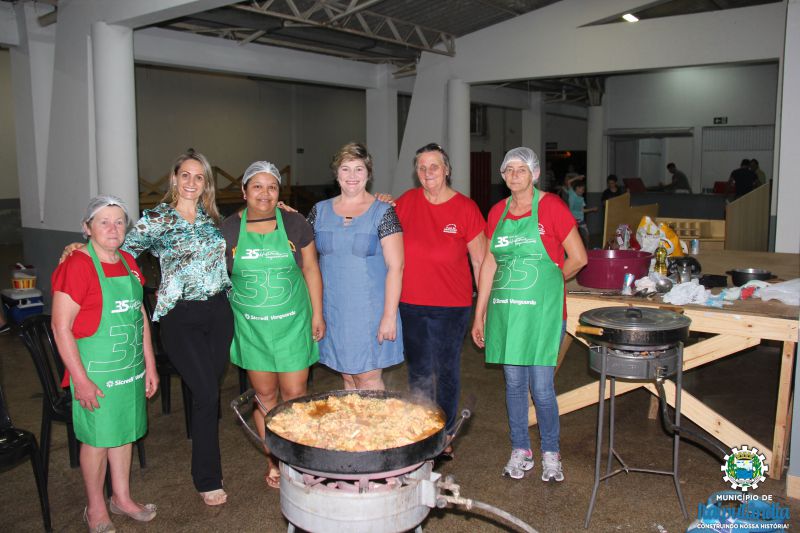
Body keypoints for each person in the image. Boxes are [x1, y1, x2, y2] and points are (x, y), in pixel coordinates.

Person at [123, 150, 234, 506]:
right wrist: (81, 248)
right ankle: (207, 477)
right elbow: (122, 251)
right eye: (185, 175)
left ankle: (207, 467)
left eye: (198, 177)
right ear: (174, 178)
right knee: (207, 394)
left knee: (207, 395)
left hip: (218, 313)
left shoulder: (212, 218)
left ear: (206, 183)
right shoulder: (157, 219)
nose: (191, 182)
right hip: (180, 317)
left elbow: (254, 219)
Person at [471, 147, 587, 483]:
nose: (514, 175)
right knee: (514, 384)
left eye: (521, 169)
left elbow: (579, 257)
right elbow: (490, 263)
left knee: (542, 386)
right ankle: (520, 449)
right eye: (508, 169)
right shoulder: (497, 212)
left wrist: (549, 282)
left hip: (543, 314)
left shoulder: (552, 207)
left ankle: (551, 452)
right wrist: (479, 314)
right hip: (507, 311)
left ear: (534, 174)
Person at [52, 196, 159, 532]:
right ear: (87, 228)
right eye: (103, 222)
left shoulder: (128, 261)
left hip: (129, 367)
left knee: (123, 432)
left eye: (119, 222)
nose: (113, 229)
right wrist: (80, 380)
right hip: (95, 370)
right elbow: (60, 327)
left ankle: (121, 498)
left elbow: (139, 315)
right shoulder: (77, 265)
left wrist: (150, 364)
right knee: (97, 440)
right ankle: (96, 507)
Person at [221, 161, 324, 490]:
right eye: (257, 186)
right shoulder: (228, 230)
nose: (264, 193)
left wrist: (318, 314)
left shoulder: (295, 223)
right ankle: (275, 461)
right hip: (253, 328)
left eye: (271, 187)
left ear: (279, 192)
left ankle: (299, 459)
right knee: (265, 396)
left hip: (293, 324)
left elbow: (311, 269)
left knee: (295, 394)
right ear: (244, 191)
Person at [394, 143, 487, 458]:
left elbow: (480, 262)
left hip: (452, 306)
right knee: (419, 370)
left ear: (447, 169)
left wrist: (481, 312)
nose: (427, 172)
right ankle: (424, 430)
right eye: (421, 167)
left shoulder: (465, 208)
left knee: (446, 369)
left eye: (434, 166)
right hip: (410, 303)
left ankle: (444, 433)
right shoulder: (405, 202)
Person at [307, 142, 404, 390]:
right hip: (334, 311)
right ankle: (354, 419)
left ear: (368, 174)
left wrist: (389, 317)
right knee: (348, 378)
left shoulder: (383, 212)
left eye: (359, 169)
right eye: (345, 169)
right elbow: (304, 254)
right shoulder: (319, 211)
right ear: (336, 174)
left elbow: (396, 267)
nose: (352, 176)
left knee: (367, 379)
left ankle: (375, 419)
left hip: (370, 313)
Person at [564, 175, 597, 248]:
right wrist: (577, 178)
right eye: (582, 189)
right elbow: (569, 182)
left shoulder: (581, 199)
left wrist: (592, 209)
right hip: (572, 219)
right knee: (572, 236)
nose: (583, 191)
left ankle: (587, 249)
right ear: (577, 188)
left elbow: (582, 210)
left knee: (586, 234)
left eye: (583, 190)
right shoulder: (572, 193)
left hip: (580, 220)